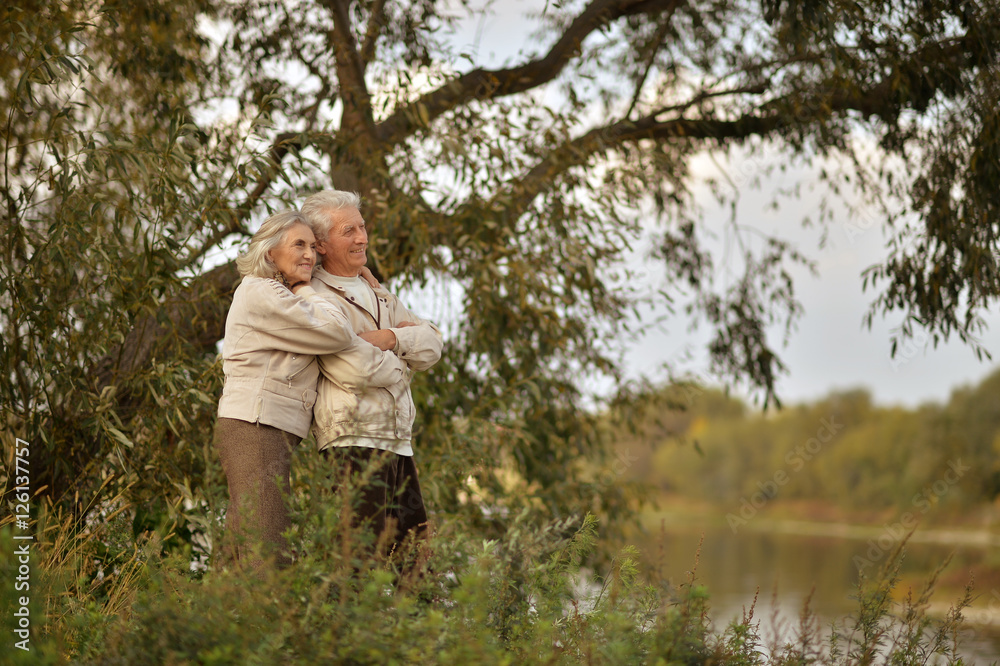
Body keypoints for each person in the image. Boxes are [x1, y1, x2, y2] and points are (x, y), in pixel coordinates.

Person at [213, 209, 408, 569]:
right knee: (269, 550)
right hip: (255, 424)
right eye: (298, 245)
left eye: (312, 247)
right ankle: (268, 606)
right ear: (270, 252)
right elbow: (335, 331)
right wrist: (307, 287)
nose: (309, 255)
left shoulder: (278, 293)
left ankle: (214, 606)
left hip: (266, 426)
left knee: (243, 543)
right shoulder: (260, 292)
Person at [301, 190, 443, 564]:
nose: (362, 238)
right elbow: (357, 369)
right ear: (321, 244)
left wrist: (390, 338)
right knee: (357, 565)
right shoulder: (316, 298)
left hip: (398, 441)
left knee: (416, 568)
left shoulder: (378, 292)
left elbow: (432, 346)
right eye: (348, 231)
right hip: (352, 440)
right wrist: (404, 361)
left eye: (362, 227)